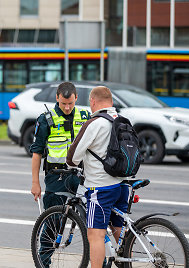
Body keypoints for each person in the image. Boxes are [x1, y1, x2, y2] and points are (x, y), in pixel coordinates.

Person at [66, 86, 129, 268]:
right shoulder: (122, 120)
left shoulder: (95, 123)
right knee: (119, 231)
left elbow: (73, 156)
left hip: (101, 188)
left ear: (92, 101)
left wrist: (71, 165)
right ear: (110, 101)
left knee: (95, 235)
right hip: (122, 185)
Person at [30, 81, 89, 266]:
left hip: (81, 175)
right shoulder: (46, 119)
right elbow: (37, 153)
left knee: (91, 220)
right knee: (53, 221)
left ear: (76, 98)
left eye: (70, 103)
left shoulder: (85, 115)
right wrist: (35, 182)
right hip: (56, 176)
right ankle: (43, 261)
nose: (67, 107)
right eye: (63, 103)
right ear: (57, 98)